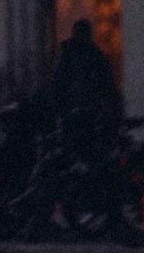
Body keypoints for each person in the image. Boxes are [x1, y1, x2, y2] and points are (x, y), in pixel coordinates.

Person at [51, 17, 120, 157]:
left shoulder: (67, 56)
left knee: (74, 149)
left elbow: (58, 84)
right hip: (88, 112)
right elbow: (107, 85)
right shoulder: (96, 56)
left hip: (75, 112)